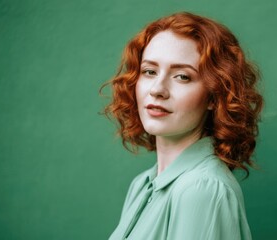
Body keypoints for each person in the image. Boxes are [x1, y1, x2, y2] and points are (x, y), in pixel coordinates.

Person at [99, 12, 263, 240]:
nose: (157, 89)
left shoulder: (202, 189)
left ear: (214, 96)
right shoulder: (143, 185)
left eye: (182, 76)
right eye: (149, 71)